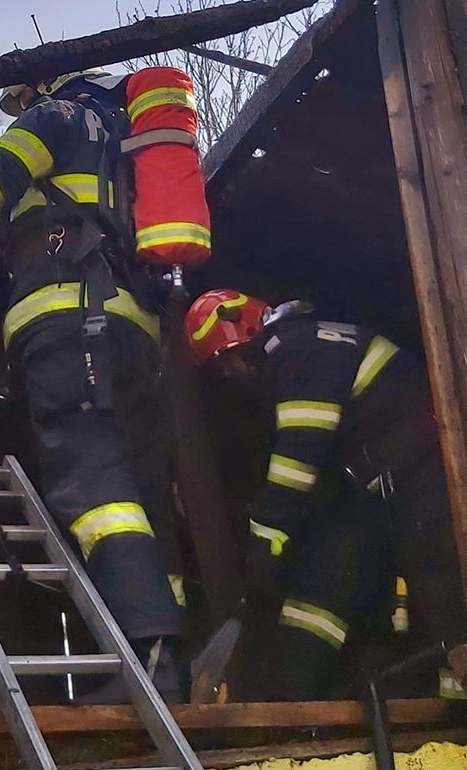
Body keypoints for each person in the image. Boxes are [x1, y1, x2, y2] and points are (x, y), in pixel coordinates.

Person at [0, 69, 188, 702]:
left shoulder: (55, 118)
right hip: (133, 330)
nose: (21, 108)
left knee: (94, 487)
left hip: (68, 320)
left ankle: (149, 654)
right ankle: (173, 652)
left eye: (21, 99)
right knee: (140, 492)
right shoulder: (127, 137)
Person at [185, 289, 467, 699]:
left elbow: (299, 453)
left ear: (244, 337)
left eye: (228, 362)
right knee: (324, 578)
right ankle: (295, 698)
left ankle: (454, 698)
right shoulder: (304, 348)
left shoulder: (299, 352)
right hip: (375, 487)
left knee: (438, 580)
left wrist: (265, 539)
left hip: (425, 474)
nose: (230, 375)